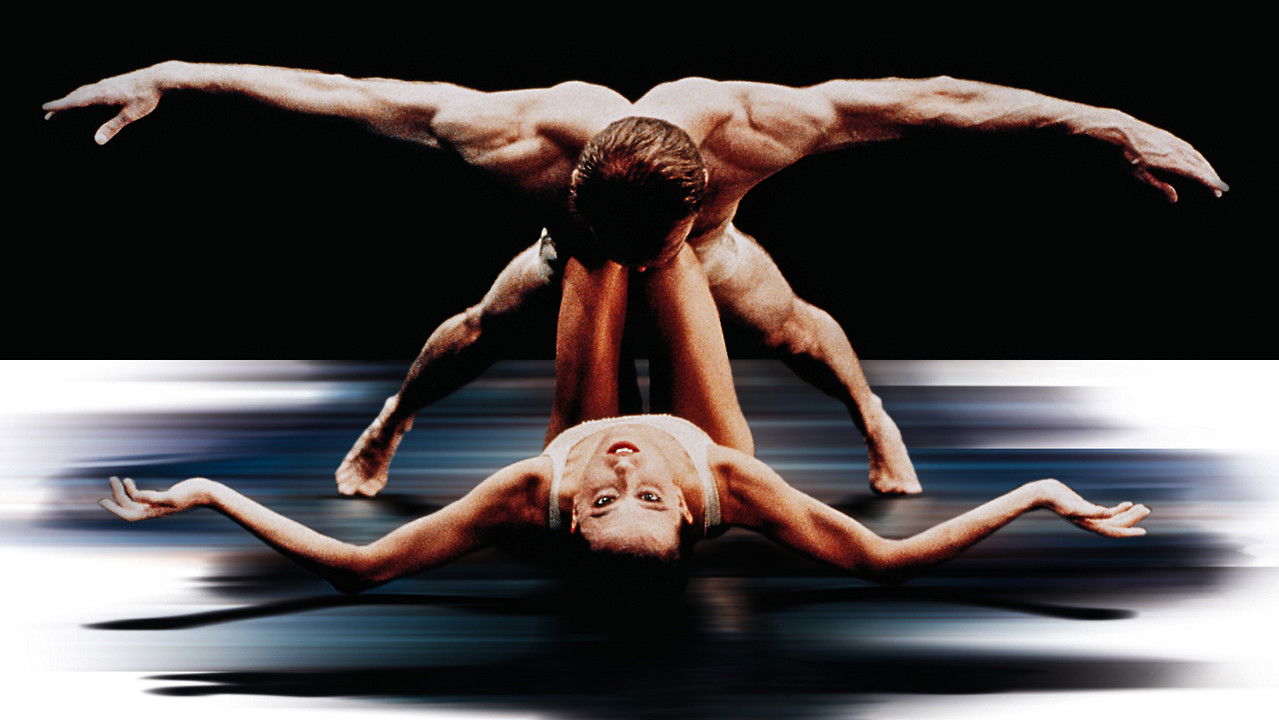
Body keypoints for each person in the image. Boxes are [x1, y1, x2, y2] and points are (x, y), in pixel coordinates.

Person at [49, 62, 1228, 498]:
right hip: (562, 253)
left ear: (702, 183)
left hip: (717, 251)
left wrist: (1101, 120)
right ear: (570, 180)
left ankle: (874, 418)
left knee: (791, 328)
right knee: (480, 327)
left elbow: (942, 101)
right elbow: (345, 95)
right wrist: (179, 74)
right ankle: (388, 425)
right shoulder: (512, 134)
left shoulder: (755, 127)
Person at [98, 246, 1151, 598]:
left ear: (569, 513)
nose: (622, 464)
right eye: (644, 493)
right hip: (714, 439)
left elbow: (355, 566)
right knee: (671, 251)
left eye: (604, 498)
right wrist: (1040, 495)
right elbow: (887, 561)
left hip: (559, 428)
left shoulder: (533, 489)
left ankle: (394, 414)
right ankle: (873, 415)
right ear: (685, 510)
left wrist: (209, 493)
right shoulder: (726, 486)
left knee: (597, 248)